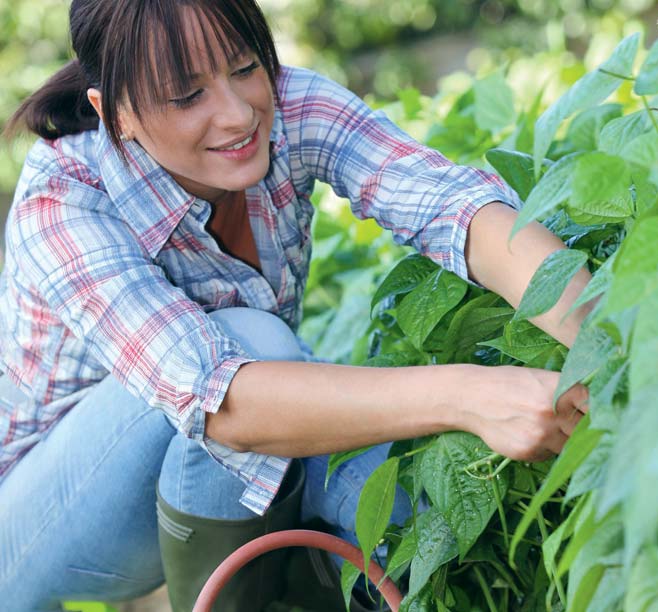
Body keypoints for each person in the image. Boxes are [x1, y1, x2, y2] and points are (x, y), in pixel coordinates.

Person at [0, 0, 593, 610]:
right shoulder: (65, 203)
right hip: (42, 523)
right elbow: (222, 399)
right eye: (186, 97)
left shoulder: (289, 107)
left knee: (414, 512)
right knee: (253, 344)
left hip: (214, 460)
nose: (237, 115)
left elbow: (450, 205)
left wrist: (603, 338)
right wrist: (472, 396)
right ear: (115, 112)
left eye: (244, 67)